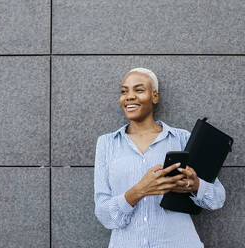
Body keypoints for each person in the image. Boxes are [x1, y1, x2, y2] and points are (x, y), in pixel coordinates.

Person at [94, 67, 226, 248]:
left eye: (138, 90)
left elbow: (218, 198)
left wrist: (195, 185)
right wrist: (139, 191)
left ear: (155, 96)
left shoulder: (182, 139)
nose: (129, 96)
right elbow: (103, 214)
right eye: (124, 91)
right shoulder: (107, 143)